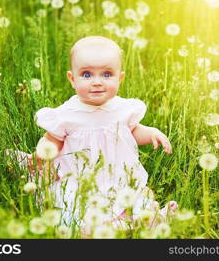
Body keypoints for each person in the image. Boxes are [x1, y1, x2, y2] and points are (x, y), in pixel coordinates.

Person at [9, 36, 177, 229]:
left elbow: (133, 131)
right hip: (80, 180)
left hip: (119, 177)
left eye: (106, 74)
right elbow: (52, 140)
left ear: (120, 78)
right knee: (78, 212)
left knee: (139, 196)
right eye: (87, 75)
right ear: (72, 79)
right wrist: (41, 155)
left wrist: (151, 133)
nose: (97, 82)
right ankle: (107, 226)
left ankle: (147, 217)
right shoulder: (67, 114)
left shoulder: (123, 109)